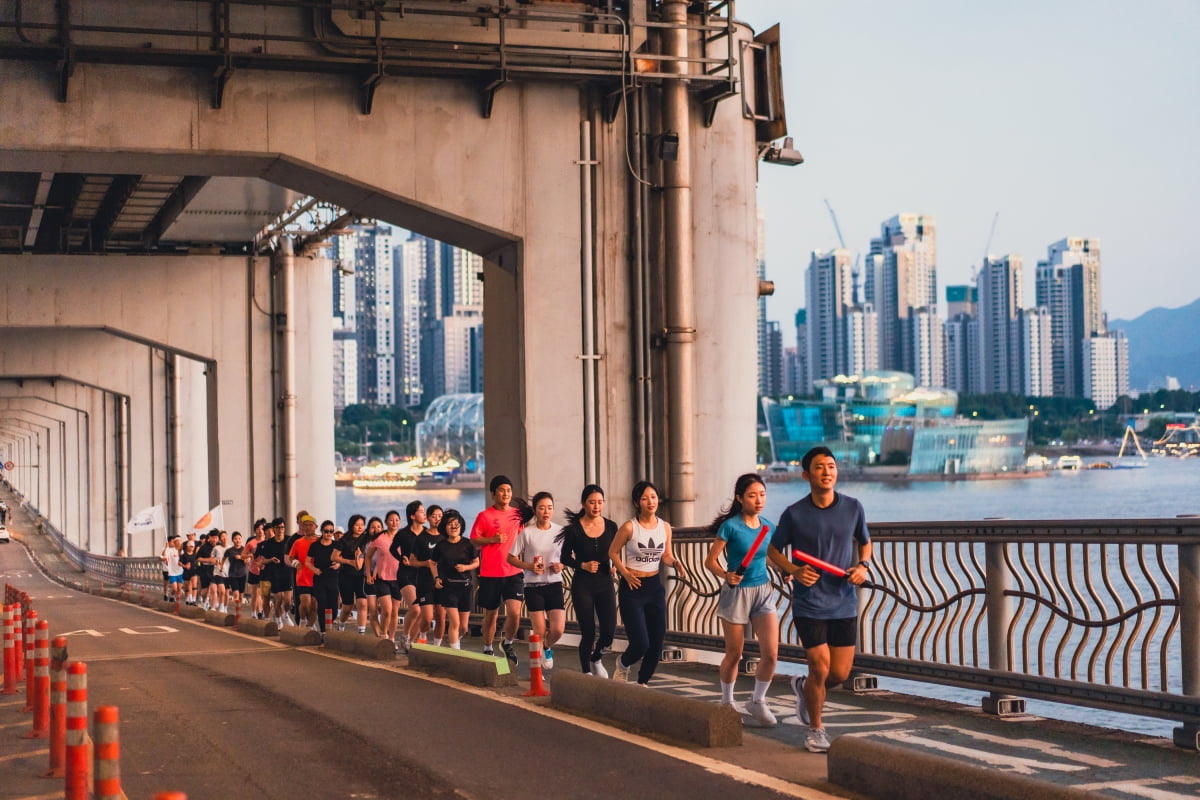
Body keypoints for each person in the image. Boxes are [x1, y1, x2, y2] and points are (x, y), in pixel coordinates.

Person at [767, 446, 872, 754]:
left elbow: (865, 543)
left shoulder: (853, 508)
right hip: (809, 602)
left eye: (831, 466)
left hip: (843, 600)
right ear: (806, 475)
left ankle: (804, 688)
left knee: (838, 674)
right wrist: (794, 570)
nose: (827, 472)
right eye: (819, 467)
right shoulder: (794, 513)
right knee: (819, 663)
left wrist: (863, 566)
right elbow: (773, 551)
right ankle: (816, 729)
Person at [704, 473, 781, 727]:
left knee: (770, 653)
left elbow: (768, 558)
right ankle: (727, 703)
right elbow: (710, 561)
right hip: (736, 593)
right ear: (739, 498)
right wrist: (726, 574)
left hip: (763, 591)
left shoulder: (768, 527)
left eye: (762, 494)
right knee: (735, 653)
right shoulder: (731, 526)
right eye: (752, 495)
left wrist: (786, 571)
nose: (759, 500)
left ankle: (757, 701)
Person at [609, 480, 684, 686]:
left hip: (654, 587)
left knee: (657, 643)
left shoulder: (665, 527)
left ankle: (642, 683)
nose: (650, 501)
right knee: (641, 642)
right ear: (637, 503)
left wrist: (675, 562)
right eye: (644, 498)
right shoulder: (629, 527)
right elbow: (613, 552)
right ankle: (623, 664)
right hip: (632, 588)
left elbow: (666, 555)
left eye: (653, 497)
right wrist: (624, 573)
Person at [558, 484, 618, 676]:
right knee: (588, 632)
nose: (596, 506)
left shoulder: (611, 526)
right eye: (592, 502)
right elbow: (564, 557)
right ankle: (586, 674)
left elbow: (616, 551)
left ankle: (596, 658)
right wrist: (582, 565)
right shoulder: (574, 529)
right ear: (584, 504)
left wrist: (616, 565)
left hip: (605, 583)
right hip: (583, 584)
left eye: (600, 502)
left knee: (609, 632)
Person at [469, 474, 524, 663]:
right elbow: (474, 541)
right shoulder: (484, 516)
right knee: (491, 614)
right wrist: (491, 540)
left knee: (515, 613)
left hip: (514, 572)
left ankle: (507, 642)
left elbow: (525, 539)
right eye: (502, 490)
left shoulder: (518, 515)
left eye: (508, 490)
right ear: (493, 494)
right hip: (490, 573)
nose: (506, 493)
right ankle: (487, 647)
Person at [508, 492, 565, 668]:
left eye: (549, 508)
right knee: (539, 631)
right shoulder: (527, 533)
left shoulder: (560, 531)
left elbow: (569, 557)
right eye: (541, 508)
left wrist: (561, 565)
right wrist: (528, 566)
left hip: (554, 584)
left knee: (557, 630)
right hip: (533, 586)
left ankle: (547, 647)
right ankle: (536, 673)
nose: (546, 511)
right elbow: (510, 558)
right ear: (535, 510)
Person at [430, 509, 478, 649]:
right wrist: (437, 578)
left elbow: (476, 562)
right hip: (449, 588)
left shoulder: (468, 544)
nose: (453, 527)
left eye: (456, 524)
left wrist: (465, 568)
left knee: (463, 627)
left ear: (461, 526)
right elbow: (432, 563)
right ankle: (455, 653)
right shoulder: (441, 546)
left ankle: (454, 642)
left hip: (465, 587)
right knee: (454, 623)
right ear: (445, 527)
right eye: (450, 524)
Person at [389, 503, 424, 650]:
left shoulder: (427, 533)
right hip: (406, 574)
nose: (424, 514)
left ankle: (412, 642)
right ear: (412, 516)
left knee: (423, 612)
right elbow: (392, 549)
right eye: (421, 511)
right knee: (415, 609)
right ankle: (405, 636)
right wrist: (401, 558)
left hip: (421, 573)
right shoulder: (403, 534)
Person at [365, 510, 402, 647]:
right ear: (386, 522)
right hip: (383, 578)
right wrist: (369, 574)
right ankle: (383, 635)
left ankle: (391, 639)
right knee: (387, 609)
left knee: (395, 612)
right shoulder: (379, 539)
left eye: (397, 520)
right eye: (391, 520)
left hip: (398, 579)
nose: (394, 522)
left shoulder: (403, 537)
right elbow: (368, 557)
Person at [334, 514, 369, 633]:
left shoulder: (366, 539)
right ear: (351, 525)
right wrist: (349, 561)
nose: (360, 527)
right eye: (357, 525)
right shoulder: (344, 539)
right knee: (347, 607)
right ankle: (341, 624)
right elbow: (334, 557)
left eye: (362, 525)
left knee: (363, 603)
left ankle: (361, 632)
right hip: (346, 575)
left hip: (362, 576)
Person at [306, 521, 341, 634]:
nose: (329, 533)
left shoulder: (337, 545)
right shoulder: (315, 545)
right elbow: (307, 562)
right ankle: (323, 631)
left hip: (333, 578)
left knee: (333, 609)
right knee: (322, 605)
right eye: (326, 531)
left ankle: (329, 627)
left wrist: (338, 564)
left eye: (331, 531)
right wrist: (315, 570)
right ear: (321, 531)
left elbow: (341, 559)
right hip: (320, 578)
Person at [288, 515, 321, 630]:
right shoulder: (298, 542)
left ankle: (310, 626)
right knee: (305, 603)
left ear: (316, 526)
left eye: (310, 525)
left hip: (317, 577)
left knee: (314, 606)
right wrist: (295, 562)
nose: (307, 528)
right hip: (302, 577)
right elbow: (291, 557)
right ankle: (302, 620)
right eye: (305, 525)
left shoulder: (320, 541)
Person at [225, 531, 248, 612]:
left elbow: (246, 562)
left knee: (241, 595)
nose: (237, 540)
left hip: (242, 574)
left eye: (239, 538)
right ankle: (236, 612)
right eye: (235, 539)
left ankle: (239, 610)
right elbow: (223, 559)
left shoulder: (245, 549)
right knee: (236, 594)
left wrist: (242, 558)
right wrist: (220, 566)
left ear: (241, 540)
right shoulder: (229, 550)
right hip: (232, 574)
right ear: (232, 540)